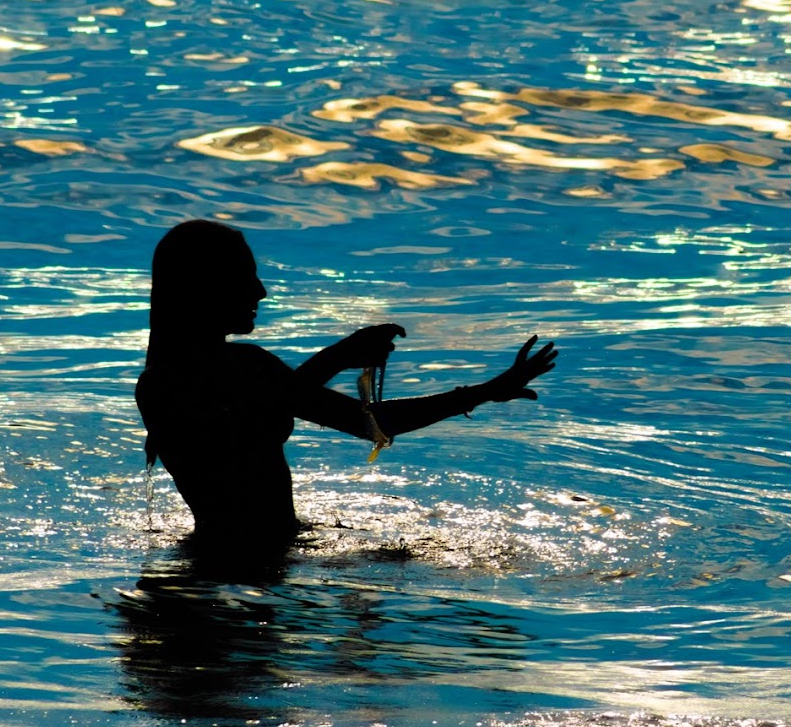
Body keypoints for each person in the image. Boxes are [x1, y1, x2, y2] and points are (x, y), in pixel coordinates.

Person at [135, 219, 557, 554]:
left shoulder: (249, 364)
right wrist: (333, 359)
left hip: (270, 558)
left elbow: (369, 423)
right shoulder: (163, 385)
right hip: (221, 567)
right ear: (203, 289)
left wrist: (485, 391)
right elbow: (244, 431)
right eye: (244, 277)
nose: (260, 291)